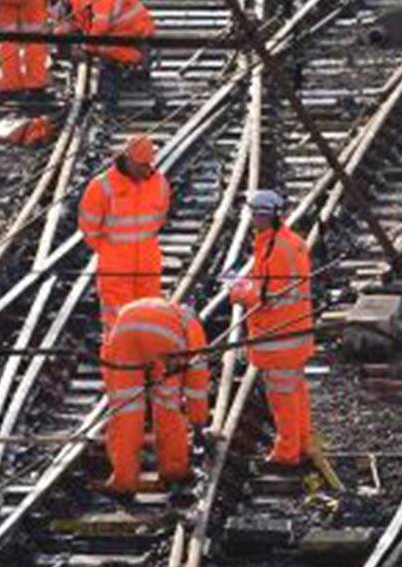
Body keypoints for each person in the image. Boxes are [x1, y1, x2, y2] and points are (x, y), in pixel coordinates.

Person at [227, 188, 314, 468]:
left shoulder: (276, 248)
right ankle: (301, 442)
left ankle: (287, 452)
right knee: (295, 391)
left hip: (279, 337)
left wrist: (239, 291)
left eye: (253, 214)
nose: (251, 219)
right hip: (294, 334)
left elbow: (268, 296)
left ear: (261, 216)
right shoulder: (286, 242)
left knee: (282, 398)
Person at [99, 296, 210, 495]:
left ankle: (123, 481)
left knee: (125, 409)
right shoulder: (192, 327)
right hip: (162, 339)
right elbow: (197, 386)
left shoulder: (169, 310)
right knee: (167, 406)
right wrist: (199, 423)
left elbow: (107, 356)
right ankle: (173, 470)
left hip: (124, 328)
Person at [78, 133, 171, 335]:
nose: (146, 169)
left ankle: (149, 361)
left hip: (147, 262)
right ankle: (118, 363)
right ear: (127, 160)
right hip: (116, 266)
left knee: (151, 316)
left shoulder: (159, 182)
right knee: (118, 320)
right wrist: (109, 250)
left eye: (149, 163)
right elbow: (88, 226)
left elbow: (160, 219)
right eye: (141, 165)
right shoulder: (102, 185)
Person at [63, 0, 157, 74]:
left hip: (136, 28)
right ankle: (135, 57)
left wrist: (85, 47)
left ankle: (139, 58)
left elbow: (100, 26)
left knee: (99, 46)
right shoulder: (79, 0)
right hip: (129, 27)